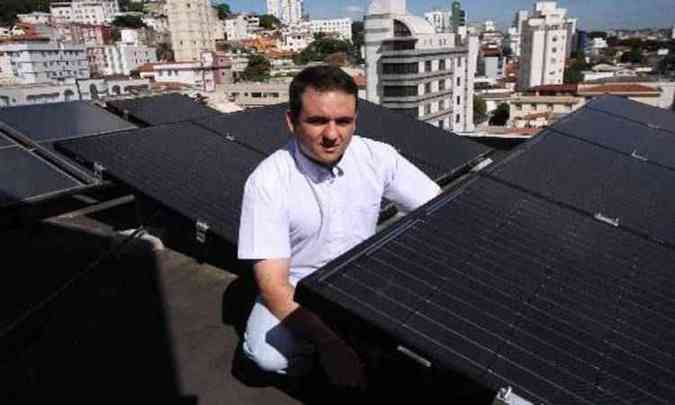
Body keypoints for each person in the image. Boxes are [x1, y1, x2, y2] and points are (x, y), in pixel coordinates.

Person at [237, 65, 440, 388]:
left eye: (343, 121)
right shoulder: (268, 181)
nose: (332, 135)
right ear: (292, 122)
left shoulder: (378, 158)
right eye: (317, 121)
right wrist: (331, 347)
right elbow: (274, 285)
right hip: (296, 289)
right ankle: (314, 361)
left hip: (361, 277)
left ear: (355, 120)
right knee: (268, 357)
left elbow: (436, 207)